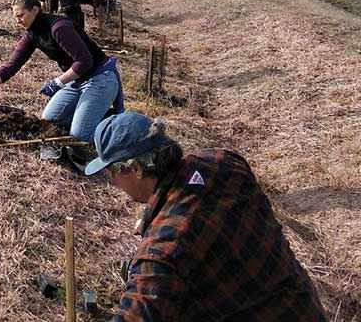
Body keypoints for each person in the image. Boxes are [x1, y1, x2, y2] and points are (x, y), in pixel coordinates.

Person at [85, 112, 327, 321]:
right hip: (302, 306)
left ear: (136, 169)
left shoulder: (160, 253)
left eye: (111, 173)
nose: (113, 182)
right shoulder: (225, 162)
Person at [0, 0, 123, 141]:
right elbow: (12, 65)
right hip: (78, 81)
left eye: (21, 15)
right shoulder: (32, 34)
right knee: (49, 120)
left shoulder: (59, 28)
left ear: (35, 10)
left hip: (100, 78)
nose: (18, 21)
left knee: (79, 135)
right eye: (15, 17)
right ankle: (91, 113)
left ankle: (112, 122)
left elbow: (85, 61)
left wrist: (57, 83)